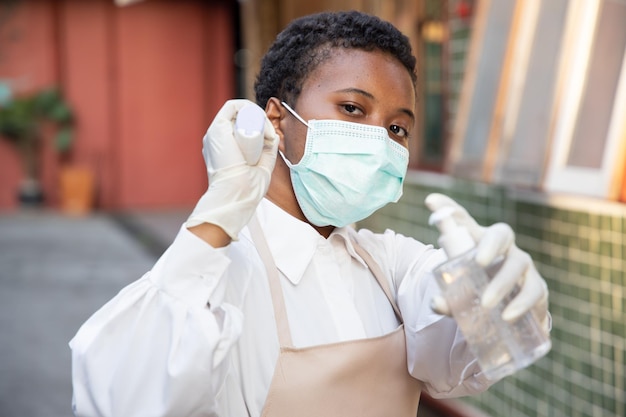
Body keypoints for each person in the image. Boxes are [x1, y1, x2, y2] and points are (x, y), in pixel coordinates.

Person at [69, 10, 550, 417]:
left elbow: (467, 358)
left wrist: (500, 294)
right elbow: (121, 396)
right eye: (353, 109)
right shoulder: (223, 272)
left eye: (399, 128)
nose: (380, 141)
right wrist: (214, 220)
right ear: (277, 118)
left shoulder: (389, 265)